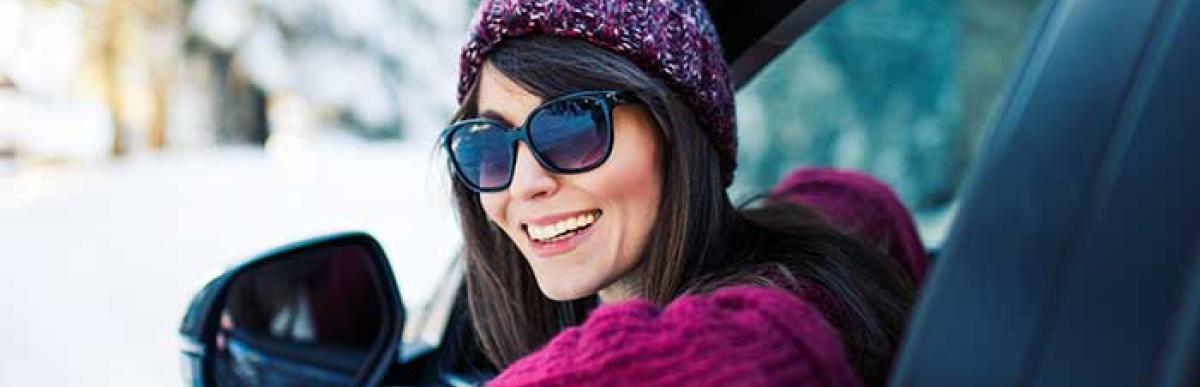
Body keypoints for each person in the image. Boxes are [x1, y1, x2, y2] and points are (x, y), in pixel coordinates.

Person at [441, 1, 915, 386]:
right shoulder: (837, 228)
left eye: (573, 127)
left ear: (678, 132)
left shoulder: (780, 318)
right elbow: (848, 199)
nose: (524, 185)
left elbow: (745, 348)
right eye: (487, 145)